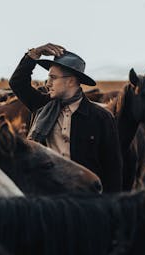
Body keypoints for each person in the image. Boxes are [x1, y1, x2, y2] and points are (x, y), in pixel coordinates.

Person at [9, 43, 122, 192]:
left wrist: (109, 208)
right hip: (46, 195)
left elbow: (113, 168)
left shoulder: (101, 117)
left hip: (84, 199)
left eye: (53, 78)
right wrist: (34, 54)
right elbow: (17, 83)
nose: (47, 83)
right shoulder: (42, 106)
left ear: (70, 81)